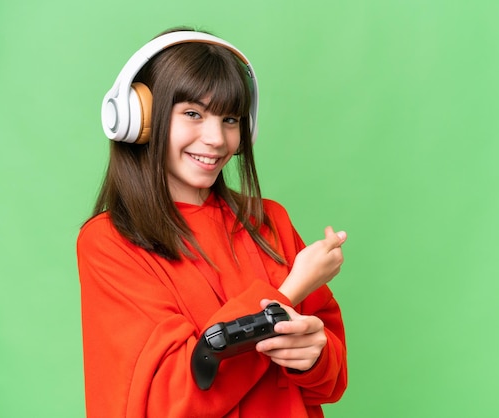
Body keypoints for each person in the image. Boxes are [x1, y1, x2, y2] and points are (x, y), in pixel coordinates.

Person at [77, 27, 348, 418]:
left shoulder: (269, 220)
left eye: (230, 119)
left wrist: (312, 357)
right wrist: (291, 289)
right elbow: (173, 399)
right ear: (139, 118)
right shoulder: (109, 242)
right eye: (192, 114)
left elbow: (333, 381)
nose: (216, 139)